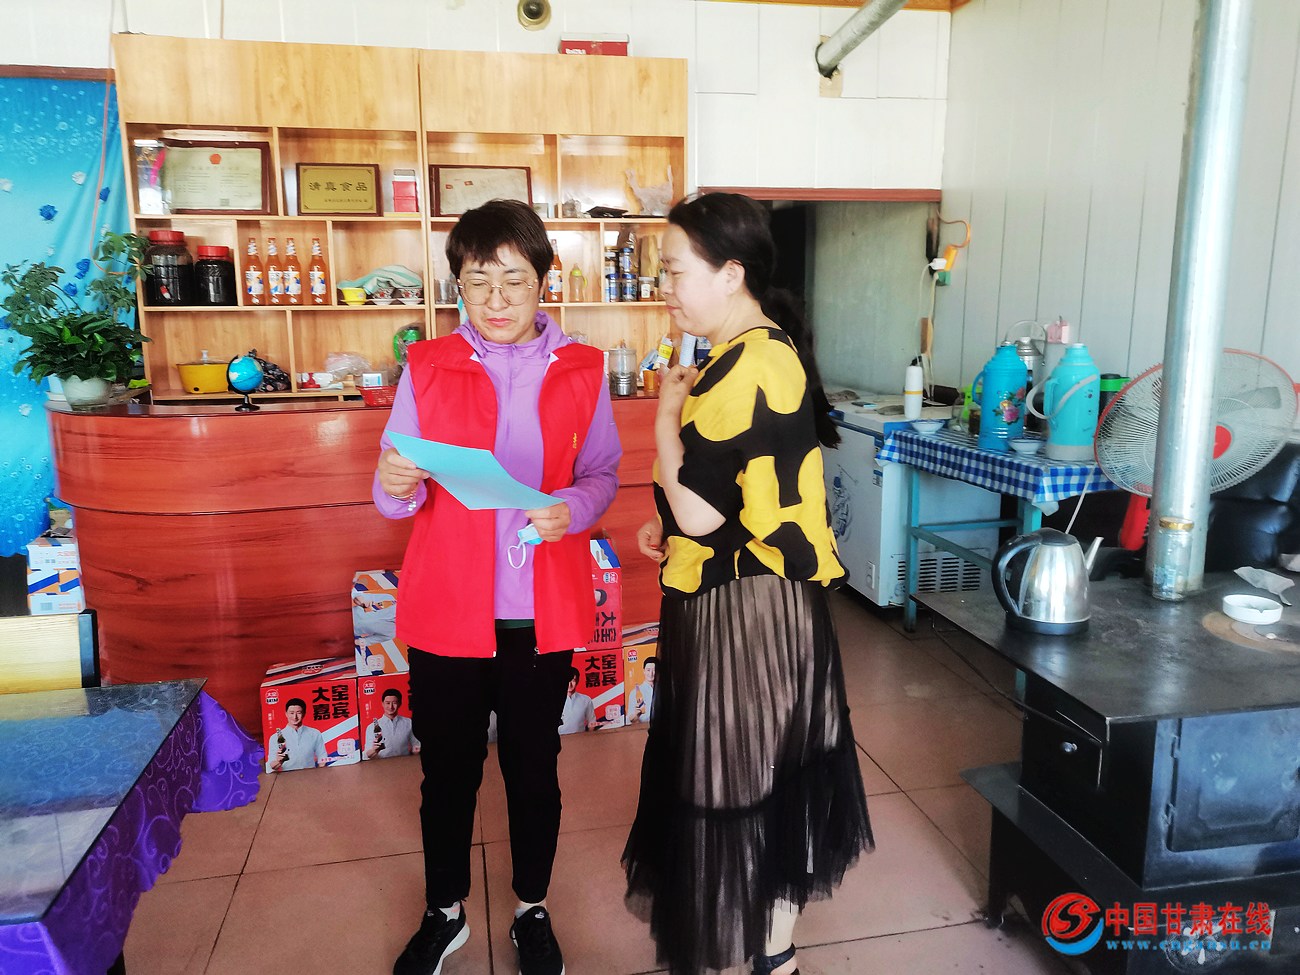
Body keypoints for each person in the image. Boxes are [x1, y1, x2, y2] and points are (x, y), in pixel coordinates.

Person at [621, 193, 873, 975]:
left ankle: (773, 958)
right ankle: (774, 954)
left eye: (675, 271)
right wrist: (666, 515)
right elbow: (727, 487)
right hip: (748, 597)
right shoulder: (742, 352)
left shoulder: (750, 362)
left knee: (736, 785)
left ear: (730, 274)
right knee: (760, 779)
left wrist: (663, 419)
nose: (665, 286)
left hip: (747, 610)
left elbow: (701, 511)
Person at [374, 198, 621, 975]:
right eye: (478, 281)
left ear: (544, 280)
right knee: (446, 771)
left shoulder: (583, 368)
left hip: (539, 614)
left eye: (514, 279)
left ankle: (530, 906)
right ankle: (444, 911)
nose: (497, 299)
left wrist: (572, 508)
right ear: (459, 285)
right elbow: (393, 490)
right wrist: (393, 480)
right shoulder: (426, 366)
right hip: (449, 610)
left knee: (533, 769)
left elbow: (602, 472)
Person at [268, 698, 328, 772]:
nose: (295, 717)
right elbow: (271, 766)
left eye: (298, 713)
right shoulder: (275, 737)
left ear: (304, 713)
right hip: (286, 776)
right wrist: (279, 761)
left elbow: (322, 757)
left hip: (310, 774)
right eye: (291, 713)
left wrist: (319, 774)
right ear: (286, 714)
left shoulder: (315, 733)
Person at [364, 687, 421, 758]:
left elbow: (416, 746)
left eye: (394, 703)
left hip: (404, 762)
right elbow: (366, 755)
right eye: (387, 703)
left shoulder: (409, 723)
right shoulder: (372, 727)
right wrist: (374, 750)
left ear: (400, 704)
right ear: (382, 704)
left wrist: (417, 749)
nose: (391, 707)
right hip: (381, 763)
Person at [557, 667, 597, 734]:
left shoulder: (586, 699)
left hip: (580, 737)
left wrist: (589, 737)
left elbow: (592, 722)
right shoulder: (554, 700)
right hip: (560, 737)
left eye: (573, 681)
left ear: (577, 681)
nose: (569, 684)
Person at [630, 655, 656, 723]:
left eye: (654, 670)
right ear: (644, 671)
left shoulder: (662, 690)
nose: (651, 673)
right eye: (648, 670)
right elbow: (630, 719)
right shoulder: (635, 692)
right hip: (643, 726)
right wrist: (636, 714)